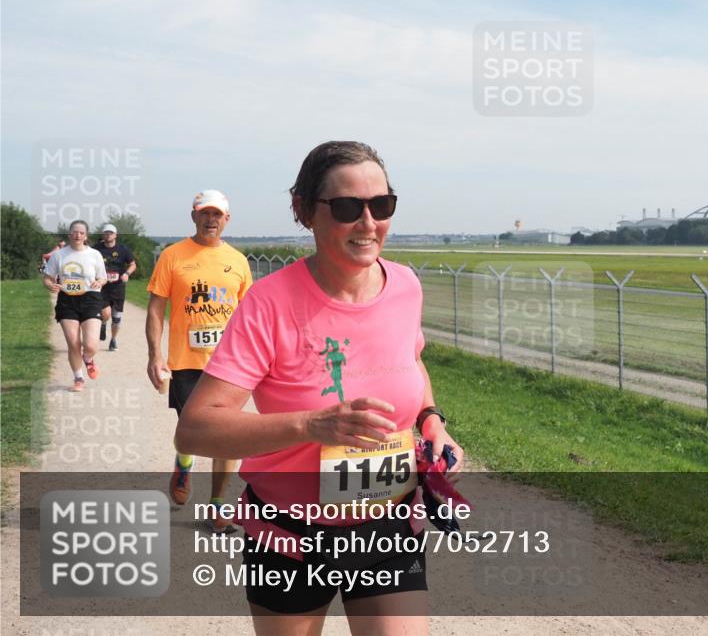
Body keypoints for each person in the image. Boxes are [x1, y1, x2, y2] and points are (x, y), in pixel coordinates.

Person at [175, 141, 464, 635]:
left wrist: (431, 419)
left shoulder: (405, 285)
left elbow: (410, 360)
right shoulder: (269, 303)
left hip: (386, 522)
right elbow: (196, 430)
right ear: (305, 211)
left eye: (382, 204)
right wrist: (313, 425)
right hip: (291, 534)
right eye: (348, 207)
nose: (368, 223)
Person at [145, 190, 253, 531]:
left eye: (217, 215)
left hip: (230, 364)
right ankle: (185, 459)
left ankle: (219, 506)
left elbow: (250, 313)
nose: (211, 220)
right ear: (193, 216)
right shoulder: (173, 256)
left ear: (227, 219)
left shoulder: (237, 260)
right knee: (192, 430)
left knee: (229, 434)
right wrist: (154, 354)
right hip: (187, 362)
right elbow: (155, 307)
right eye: (205, 214)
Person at [42, 221, 107, 392]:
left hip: (91, 298)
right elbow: (48, 278)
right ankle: (78, 378)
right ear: (69, 234)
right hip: (67, 300)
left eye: (81, 232)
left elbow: (103, 278)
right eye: (74, 232)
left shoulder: (95, 255)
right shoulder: (59, 255)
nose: (77, 235)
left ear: (86, 235)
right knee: (73, 343)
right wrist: (51, 285)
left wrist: (99, 281)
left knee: (91, 344)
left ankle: (88, 358)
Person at [96, 223, 137, 351]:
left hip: (118, 287)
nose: (108, 235)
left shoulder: (123, 249)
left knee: (116, 317)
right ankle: (103, 323)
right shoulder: (96, 249)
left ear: (115, 235)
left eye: (110, 233)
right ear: (103, 235)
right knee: (106, 313)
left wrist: (126, 274)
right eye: (106, 233)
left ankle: (113, 340)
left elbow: (132, 264)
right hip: (102, 286)